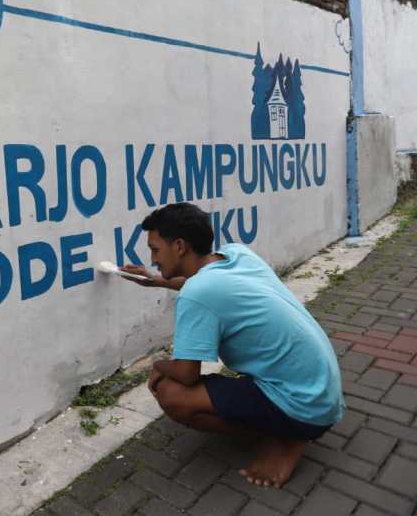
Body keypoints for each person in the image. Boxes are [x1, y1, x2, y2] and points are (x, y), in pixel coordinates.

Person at [119, 202, 344, 489]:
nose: (153, 260)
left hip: (304, 407)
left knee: (171, 391)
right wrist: (158, 282)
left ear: (179, 246)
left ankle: (286, 438)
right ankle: (282, 424)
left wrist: (157, 365)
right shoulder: (237, 255)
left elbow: (187, 374)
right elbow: (202, 282)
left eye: (155, 249)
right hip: (322, 392)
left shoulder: (197, 293)